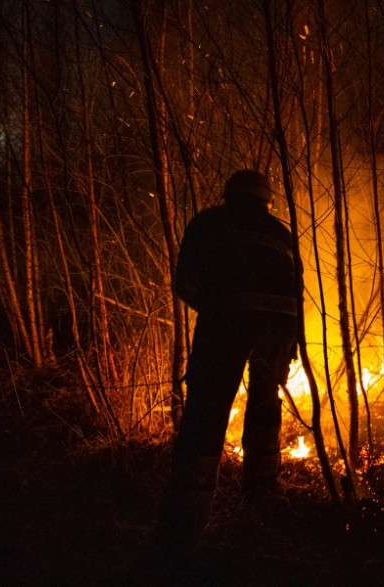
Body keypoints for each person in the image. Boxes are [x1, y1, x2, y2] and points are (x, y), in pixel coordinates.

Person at [159, 169, 300, 542]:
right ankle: (261, 489)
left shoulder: (208, 223)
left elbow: (186, 281)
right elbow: (295, 290)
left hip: (227, 321)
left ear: (229, 194)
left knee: (207, 405)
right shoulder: (282, 232)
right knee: (265, 404)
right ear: (267, 200)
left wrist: (214, 308)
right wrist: (292, 343)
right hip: (279, 326)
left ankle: (189, 508)